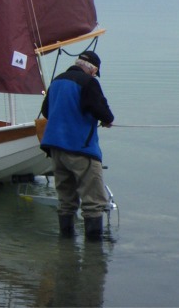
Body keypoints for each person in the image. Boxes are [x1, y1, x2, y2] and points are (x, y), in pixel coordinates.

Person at [40, 50, 114, 240]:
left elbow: (46, 111)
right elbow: (103, 112)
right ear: (93, 69)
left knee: (66, 201)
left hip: (56, 149)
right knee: (94, 203)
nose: (95, 75)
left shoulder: (57, 81)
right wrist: (107, 120)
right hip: (81, 150)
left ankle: (65, 246)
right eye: (95, 72)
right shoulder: (89, 83)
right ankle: (94, 255)